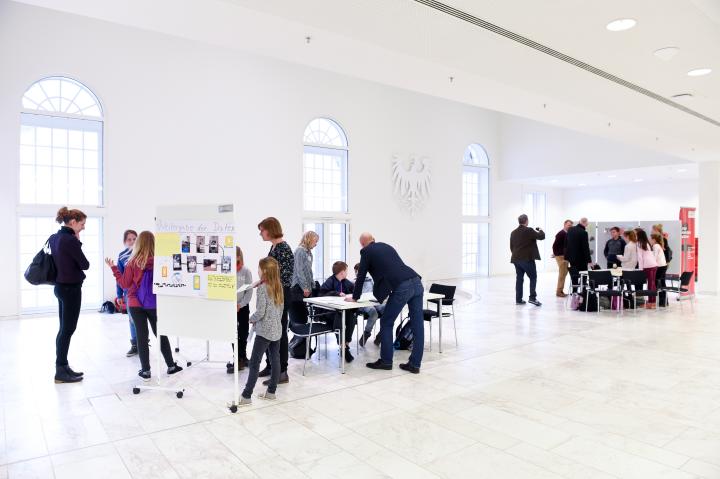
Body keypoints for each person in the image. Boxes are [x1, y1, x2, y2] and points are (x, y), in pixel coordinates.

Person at [106, 231, 183, 381]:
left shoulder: (132, 262)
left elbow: (125, 284)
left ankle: (146, 371)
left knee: (141, 337)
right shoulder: (160, 262)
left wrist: (114, 268)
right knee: (160, 334)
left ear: (138, 243)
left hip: (135, 303)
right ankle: (171, 366)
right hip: (153, 304)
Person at [347, 233, 424, 374]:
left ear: (363, 244)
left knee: (387, 322)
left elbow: (361, 274)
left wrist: (355, 297)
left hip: (402, 286)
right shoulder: (386, 246)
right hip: (416, 281)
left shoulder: (366, 251)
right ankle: (415, 364)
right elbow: (393, 267)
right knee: (417, 324)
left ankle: (386, 361)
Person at [49, 207, 90, 384]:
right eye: (82, 224)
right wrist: (78, 242)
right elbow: (85, 264)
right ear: (73, 222)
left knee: (63, 329)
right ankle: (60, 370)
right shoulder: (70, 241)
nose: (83, 228)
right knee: (68, 329)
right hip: (71, 289)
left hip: (59, 287)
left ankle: (63, 366)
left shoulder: (54, 238)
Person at [240, 257, 284, 406]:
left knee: (254, 363)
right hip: (277, 329)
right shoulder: (278, 285)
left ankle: (246, 396)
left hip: (264, 332)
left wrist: (250, 319)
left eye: (259, 268)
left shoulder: (262, 289)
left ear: (264, 271)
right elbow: (281, 310)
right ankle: (271, 392)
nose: (257, 270)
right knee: (275, 360)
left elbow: (260, 312)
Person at [257, 217, 293, 385]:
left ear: (270, 230)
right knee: (268, 330)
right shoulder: (274, 247)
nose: (260, 233)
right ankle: (271, 366)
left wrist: (267, 283)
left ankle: (282, 371)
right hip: (273, 293)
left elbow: (284, 278)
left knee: (279, 332)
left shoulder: (284, 248)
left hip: (280, 295)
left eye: (262, 230)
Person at [319, 261, 357, 362]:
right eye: (346, 271)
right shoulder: (330, 281)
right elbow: (322, 293)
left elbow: (353, 289)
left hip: (342, 309)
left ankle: (346, 344)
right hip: (330, 312)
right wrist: (336, 293)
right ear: (342, 272)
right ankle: (343, 347)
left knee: (352, 317)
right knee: (340, 317)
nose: (347, 273)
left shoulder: (345, 281)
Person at [509, 214, 545, 306]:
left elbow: (511, 247)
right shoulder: (529, 230)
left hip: (516, 259)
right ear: (526, 221)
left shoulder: (513, 232)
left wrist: (517, 255)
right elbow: (541, 237)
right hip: (526, 259)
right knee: (533, 277)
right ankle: (532, 298)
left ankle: (518, 299)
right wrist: (540, 230)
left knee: (519, 279)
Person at [227, 246, 253, 373]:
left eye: (234, 255)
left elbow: (249, 291)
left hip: (242, 307)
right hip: (229, 307)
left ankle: (243, 357)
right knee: (233, 333)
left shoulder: (246, 271)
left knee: (243, 333)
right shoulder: (226, 270)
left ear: (238, 256)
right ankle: (237, 358)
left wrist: (241, 305)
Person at [117, 229, 138, 357]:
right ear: (125, 242)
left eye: (134, 239)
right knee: (132, 320)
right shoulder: (122, 256)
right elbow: (119, 276)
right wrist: (119, 295)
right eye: (129, 239)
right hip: (129, 293)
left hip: (143, 293)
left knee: (143, 319)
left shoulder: (144, 253)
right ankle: (135, 345)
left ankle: (143, 344)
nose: (132, 241)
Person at [290, 231, 319, 326]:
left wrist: (312, 285)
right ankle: (298, 337)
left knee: (303, 315)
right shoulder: (300, 251)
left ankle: (302, 339)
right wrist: (305, 287)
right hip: (298, 287)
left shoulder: (309, 253)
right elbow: (299, 271)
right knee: (299, 315)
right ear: (309, 239)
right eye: (315, 241)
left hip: (305, 287)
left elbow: (309, 271)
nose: (316, 244)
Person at [354, 263, 385, 347]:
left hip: (373, 301)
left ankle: (382, 333)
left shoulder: (371, 280)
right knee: (373, 312)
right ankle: (366, 333)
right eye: (356, 271)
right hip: (362, 304)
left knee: (387, 309)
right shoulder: (355, 282)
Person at [565, 217, 593, 293]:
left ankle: (574, 291)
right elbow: (585, 248)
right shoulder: (583, 232)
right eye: (587, 223)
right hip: (581, 259)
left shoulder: (570, 230)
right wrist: (589, 261)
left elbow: (566, 243)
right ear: (585, 223)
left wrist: (567, 256)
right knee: (583, 275)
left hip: (572, 258)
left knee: (574, 275)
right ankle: (583, 292)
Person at [636, 229, 659, 309]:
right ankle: (652, 302)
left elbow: (640, 257)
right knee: (652, 284)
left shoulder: (639, 243)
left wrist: (640, 269)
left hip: (648, 266)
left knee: (650, 285)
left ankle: (650, 303)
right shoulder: (646, 243)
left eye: (636, 234)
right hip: (653, 265)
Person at [552, 220, 573, 297]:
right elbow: (554, 245)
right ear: (564, 224)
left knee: (564, 274)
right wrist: (557, 254)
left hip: (565, 256)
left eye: (571, 225)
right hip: (561, 256)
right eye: (568, 225)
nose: (569, 226)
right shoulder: (561, 233)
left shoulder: (567, 233)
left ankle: (560, 290)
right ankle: (559, 291)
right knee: (562, 274)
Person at [651, 232, 668, 307]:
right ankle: (664, 302)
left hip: (660, 267)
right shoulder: (659, 245)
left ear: (654, 239)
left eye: (650, 238)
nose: (649, 240)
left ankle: (661, 301)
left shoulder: (655, 246)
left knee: (658, 284)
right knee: (662, 284)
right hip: (663, 266)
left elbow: (654, 258)